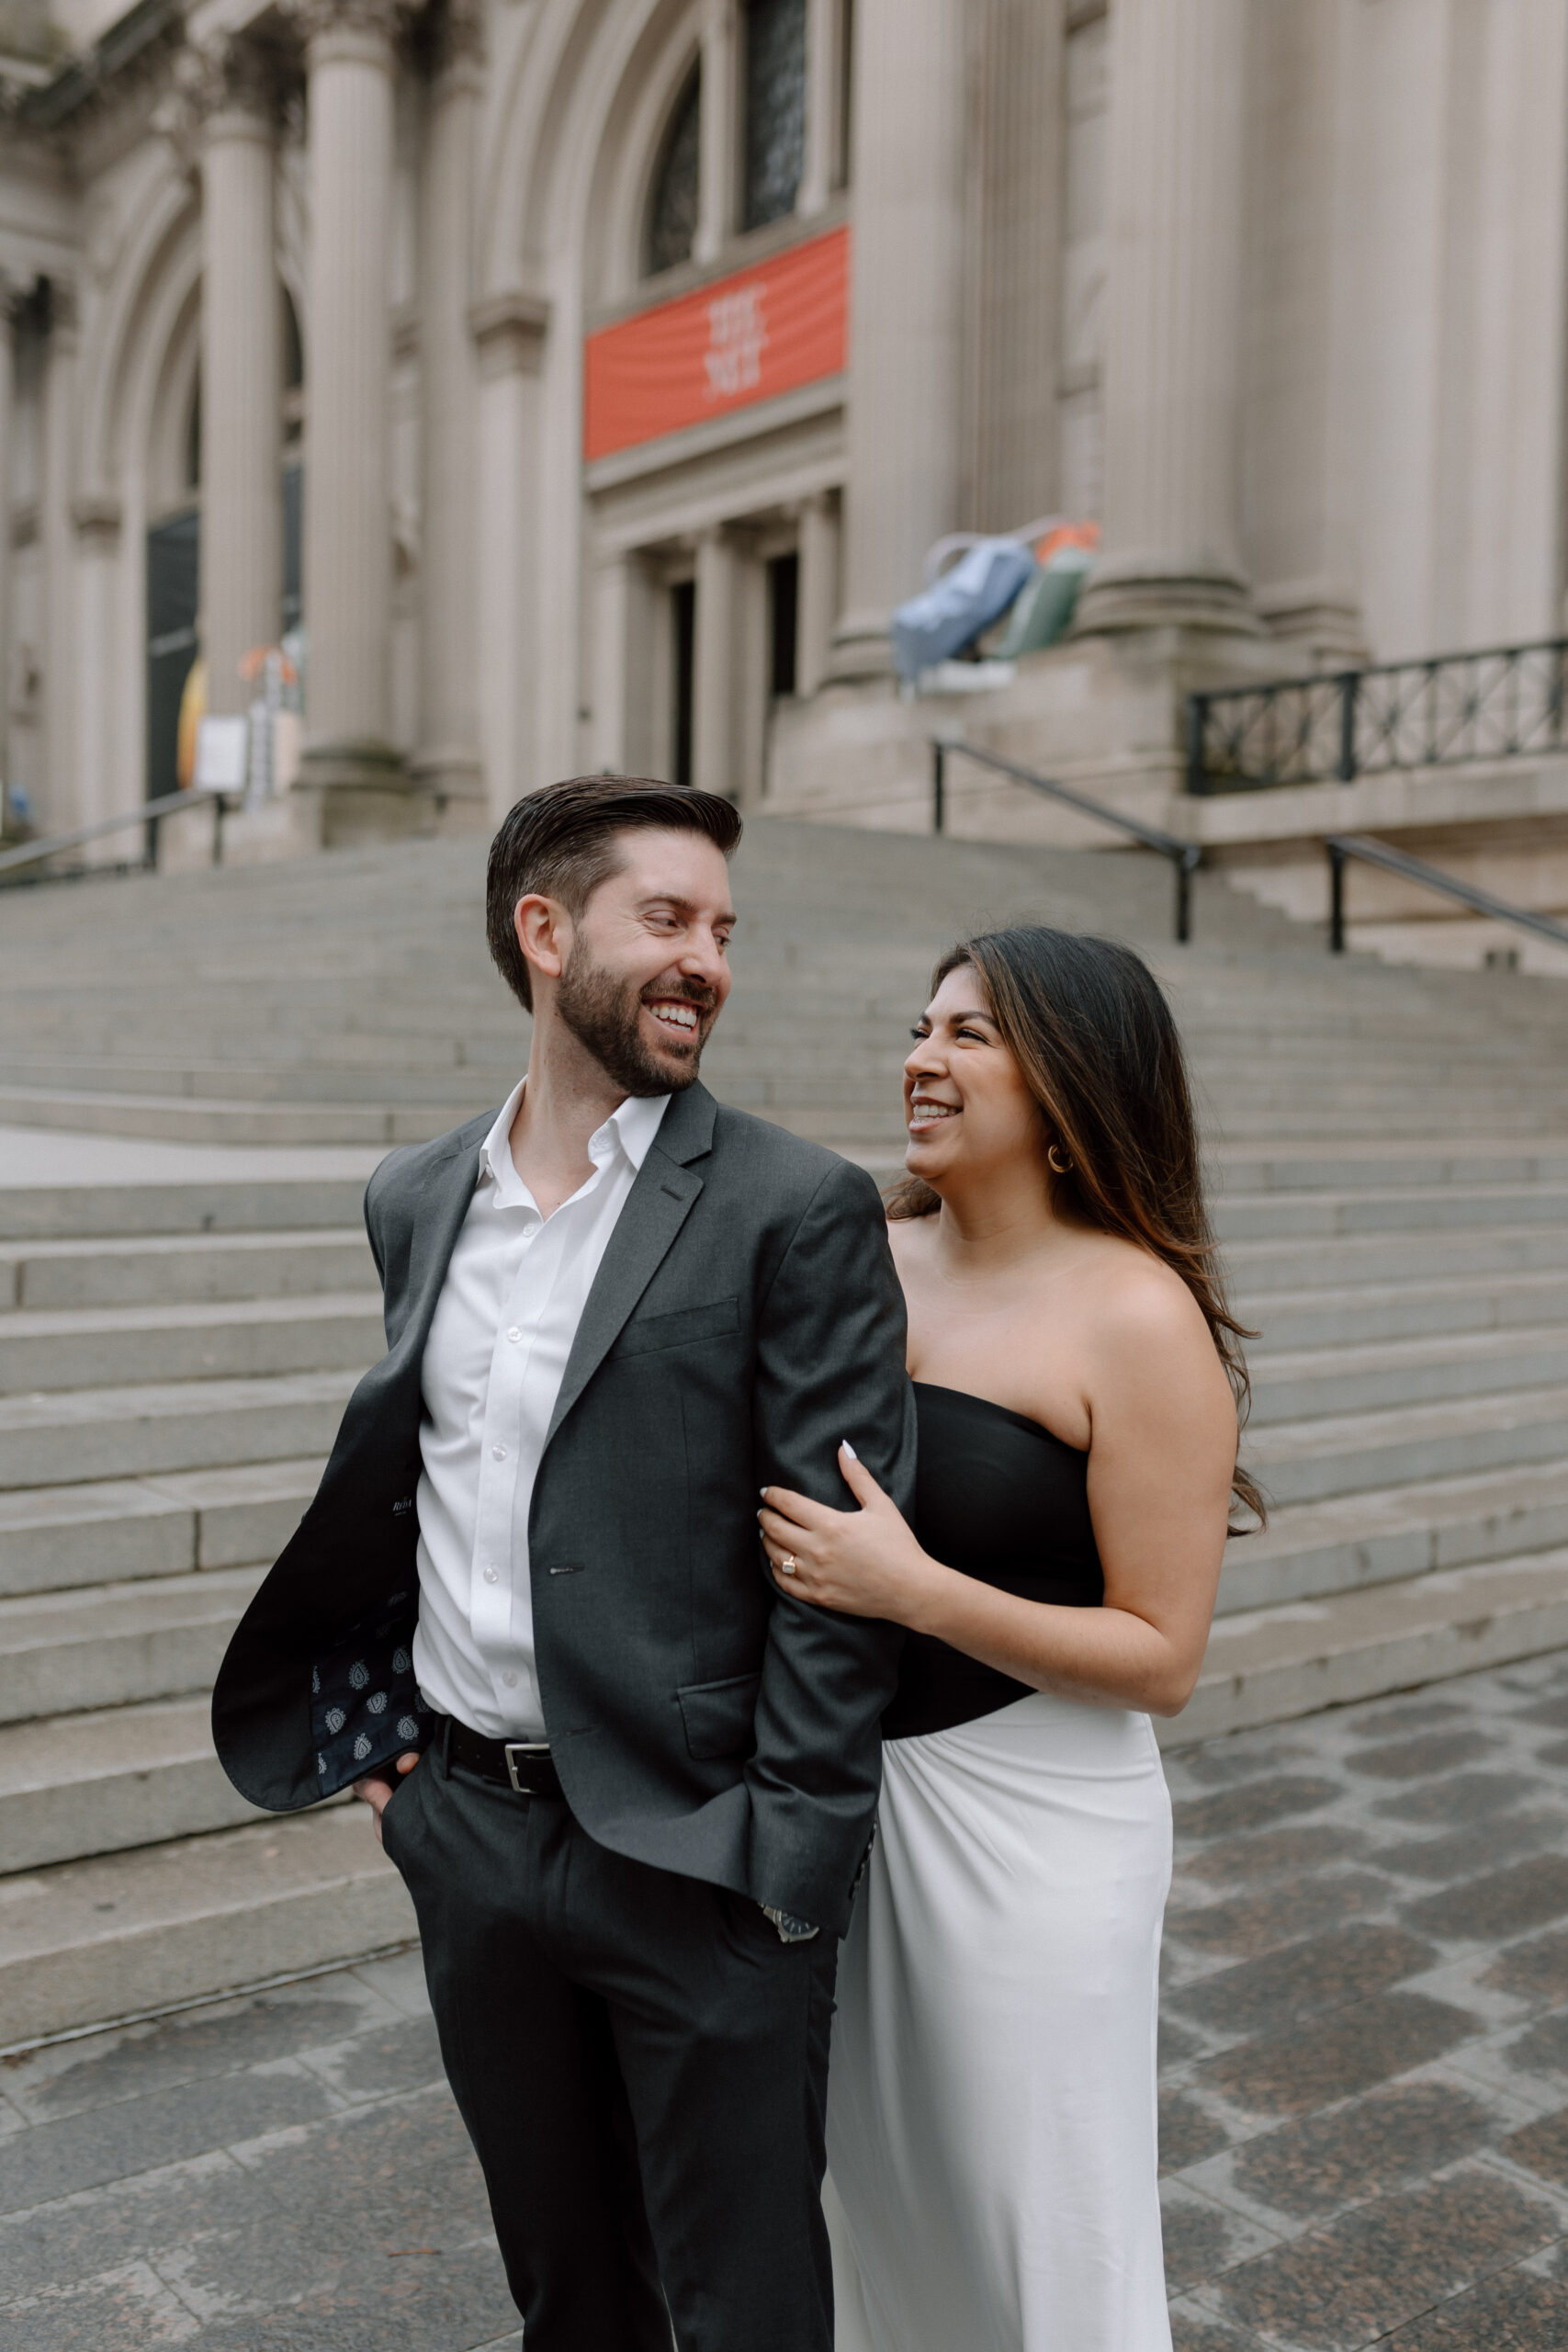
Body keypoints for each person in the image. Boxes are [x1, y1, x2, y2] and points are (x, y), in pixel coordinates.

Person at [212, 775, 916, 2352]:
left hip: (699, 1862)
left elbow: (841, 1569)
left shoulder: (793, 1210)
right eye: (665, 918)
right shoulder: (416, 1197)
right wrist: (396, 1757)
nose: (707, 961)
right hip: (470, 1835)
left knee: (746, 2310)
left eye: (724, 930)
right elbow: (433, 1480)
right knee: (567, 2294)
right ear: (545, 932)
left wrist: (787, 1875)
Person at [759, 925, 1258, 2352]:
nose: (922, 1057)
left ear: (1073, 1078)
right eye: (922, 1027)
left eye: (969, 1034)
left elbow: (1162, 1654)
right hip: (841, 1801)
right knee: (868, 2207)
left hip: (1034, 1825)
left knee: (1032, 2213)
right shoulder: (855, 1248)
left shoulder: (1135, 1315)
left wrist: (914, 1591)